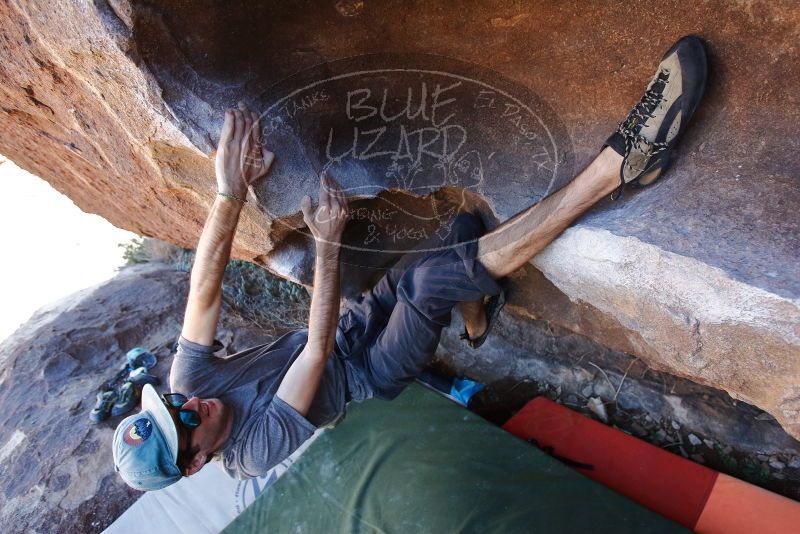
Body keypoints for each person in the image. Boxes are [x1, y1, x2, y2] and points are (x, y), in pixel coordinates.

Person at [113, 36, 707, 491]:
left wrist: (230, 191)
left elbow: (203, 291)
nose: (187, 405)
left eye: (171, 405)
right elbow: (316, 354)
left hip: (349, 330)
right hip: (368, 368)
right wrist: (326, 242)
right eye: (183, 424)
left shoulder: (190, 387)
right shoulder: (252, 452)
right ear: (194, 463)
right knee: (431, 280)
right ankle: (619, 167)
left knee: (461, 229)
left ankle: (478, 313)